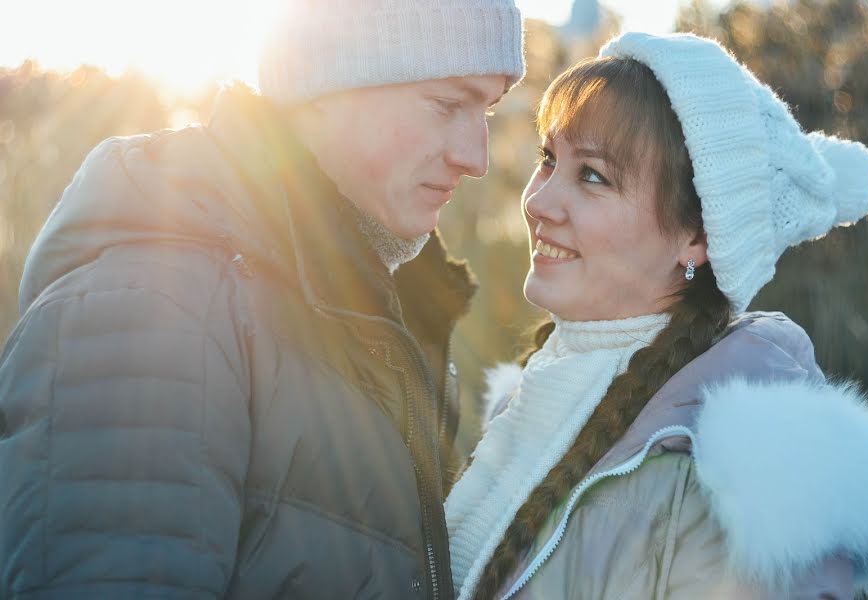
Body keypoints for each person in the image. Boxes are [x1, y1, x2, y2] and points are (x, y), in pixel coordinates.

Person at [0, 1, 524, 598]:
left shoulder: (375, 323)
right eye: (447, 105)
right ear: (328, 83)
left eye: (486, 110)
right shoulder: (153, 309)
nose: (476, 157)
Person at [445, 32, 868, 600]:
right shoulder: (533, 408)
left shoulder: (732, 498)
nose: (537, 202)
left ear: (698, 236)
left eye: (592, 175)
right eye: (548, 159)